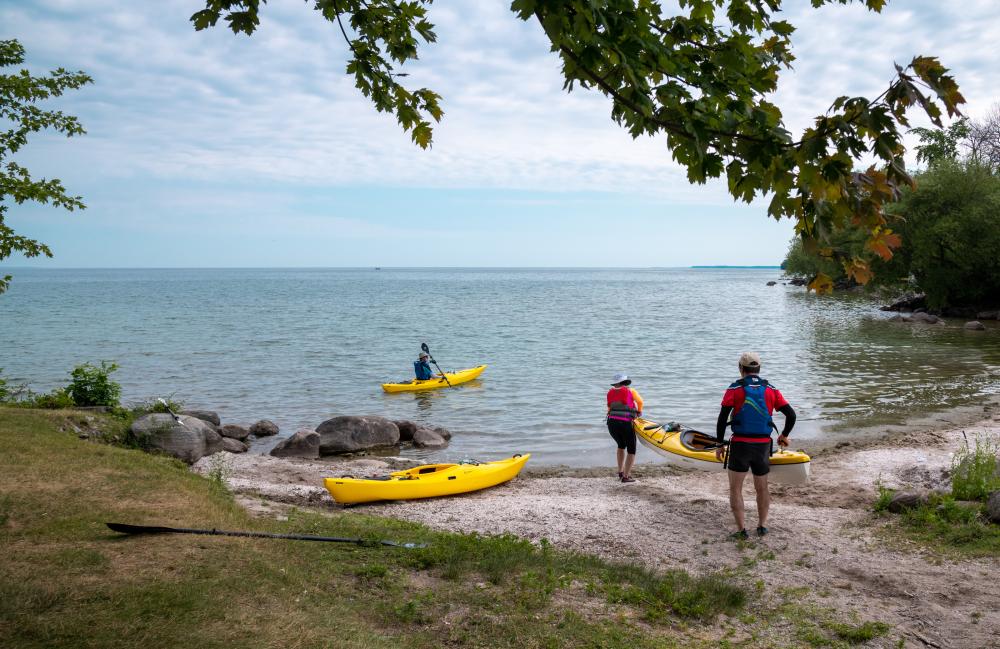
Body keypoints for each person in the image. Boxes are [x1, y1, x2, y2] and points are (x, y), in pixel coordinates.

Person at [714, 352, 796, 539]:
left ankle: (741, 530)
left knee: (736, 489)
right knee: (762, 487)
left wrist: (720, 444)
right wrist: (784, 435)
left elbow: (722, 419)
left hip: (740, 444)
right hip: (762, 445)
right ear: (758, 369)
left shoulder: (734, 388)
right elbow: (791, 415)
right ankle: (762, 526)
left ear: (741, 369)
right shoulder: (771, 389)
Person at [606, 372, 644, 483]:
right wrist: (639, 411)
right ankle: (626, 477)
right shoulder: (631, 391)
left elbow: (609, 408)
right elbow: (640, 402)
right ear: (625, 382)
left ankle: (620, 472)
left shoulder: (609, 392)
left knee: (621, 445)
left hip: (611, 423)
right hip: (625, 423)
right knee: (631, 450)